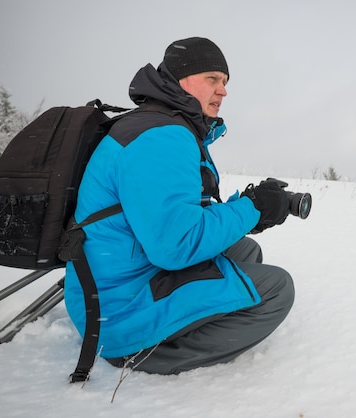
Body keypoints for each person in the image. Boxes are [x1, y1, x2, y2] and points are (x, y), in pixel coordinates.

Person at [63, 37, 295, 375]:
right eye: (212, 79)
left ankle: (164, 327)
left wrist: (249, 210)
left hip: (109, 283)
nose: (223, 91)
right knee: (277, 289)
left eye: (226, 82)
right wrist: (252, 208)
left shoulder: (162, 125)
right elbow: (176, 245)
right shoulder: (161, 136)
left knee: (243, 250)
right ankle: (142, 353)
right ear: (180, 80)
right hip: (116, 309)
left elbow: (182, 217)